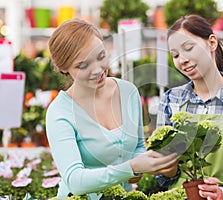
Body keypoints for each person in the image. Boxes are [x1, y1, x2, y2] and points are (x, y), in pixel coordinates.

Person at [46, 18, 178, 199]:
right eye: (83, 65)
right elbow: (75, 181)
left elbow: (138, 145)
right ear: (63, 68)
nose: (97, 69)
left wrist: (151, 162)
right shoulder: (60, 112)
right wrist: (131, 167)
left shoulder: (127, 92)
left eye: (101, 56)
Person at [155, 15, 223, 200]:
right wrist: (165, 166)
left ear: (212, 42)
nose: (182, 60)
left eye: (188, 48)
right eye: (175, 55)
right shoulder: (170, 100)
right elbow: (162, 179)